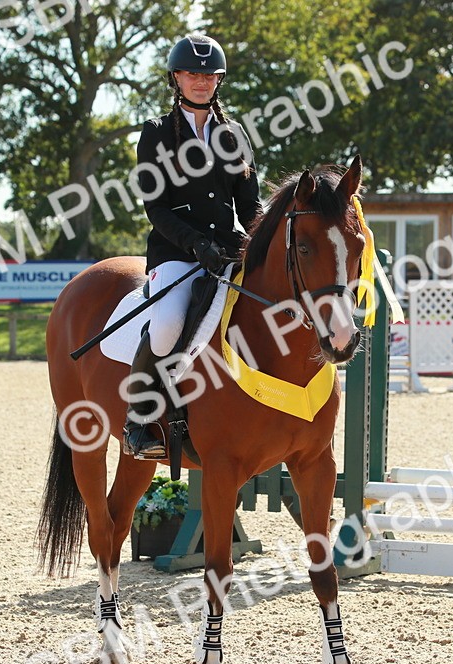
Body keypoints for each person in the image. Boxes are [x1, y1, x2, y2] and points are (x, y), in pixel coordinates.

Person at [122, 32, 263, 460]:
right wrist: (195, 242)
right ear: (176, 79)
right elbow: (156, 208)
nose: (201, 81)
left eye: (209, 75)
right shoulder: (157, 133)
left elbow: (249, 204)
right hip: (175, 252)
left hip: (227, 251)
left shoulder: (233, 134)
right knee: (168, 324)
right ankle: (139, 418)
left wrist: (257, 241)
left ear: (218, 80)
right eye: (192, 74)